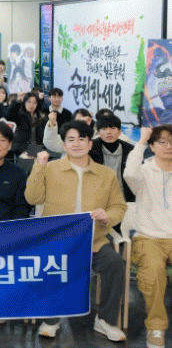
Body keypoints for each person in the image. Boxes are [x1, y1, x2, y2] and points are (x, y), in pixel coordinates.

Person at [25, 120, 127, 342]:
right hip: (57, 241)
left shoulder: (106, 174)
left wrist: (107, 216)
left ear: (90, 144)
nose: (77, 144)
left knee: (115, 263)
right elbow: (32, 198)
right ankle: (51, 320)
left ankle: (106, 320)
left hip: (94, 241)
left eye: (82, 139)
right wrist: (38, 166)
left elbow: (119, 206)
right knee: (48, 263)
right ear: (64, 145)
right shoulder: (51, 169)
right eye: (71, 139)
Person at [123, 125, 172, 348]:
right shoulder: (143, 171)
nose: (168, 146)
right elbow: (129, 173)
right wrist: (141, 140)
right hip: (148, 237)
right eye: (162, 142)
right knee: (153, 272)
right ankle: (156, 328)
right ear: (152, 146)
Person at [89, 114, 135, 202]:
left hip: (125, 199)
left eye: (112, 128)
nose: (109, 132)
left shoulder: (130, 150)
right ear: (98, 133)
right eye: (104, 129)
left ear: (120, 131)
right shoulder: (90, 149)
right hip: (97, 199)